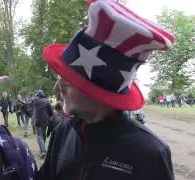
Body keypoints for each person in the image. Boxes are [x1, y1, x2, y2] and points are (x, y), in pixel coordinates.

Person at [38, 0, 175, 179]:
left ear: (97, 91)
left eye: (68, 81)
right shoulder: (62, 132)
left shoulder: (150, 153)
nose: (57, 88)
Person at [32, 89, 53, 159]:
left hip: (37, 121)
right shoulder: (46, 101)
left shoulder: (35, 100)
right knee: (43, 135)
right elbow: (51, 112)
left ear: (37, 94)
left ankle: (43, 151)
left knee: (39, 136)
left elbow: (29, 104)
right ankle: (43, 150)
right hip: (45, 121)